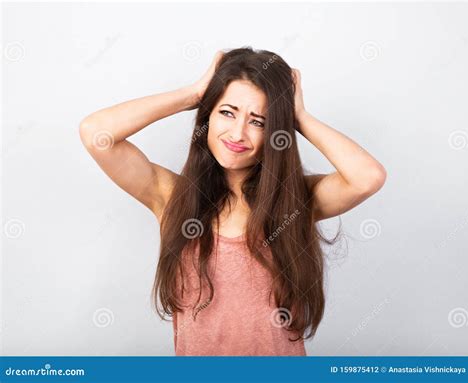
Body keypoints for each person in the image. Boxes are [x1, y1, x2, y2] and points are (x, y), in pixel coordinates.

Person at [79, 46, 387, 356]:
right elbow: (96, 134)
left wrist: (298, 118)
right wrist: (193, 94)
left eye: (258, 122)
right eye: (227, 112)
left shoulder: (295, 200)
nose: (238, 134)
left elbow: (368, 177)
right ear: (207, 115)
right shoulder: (172, 197)